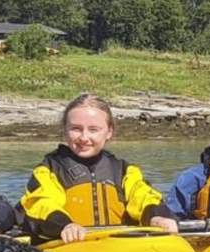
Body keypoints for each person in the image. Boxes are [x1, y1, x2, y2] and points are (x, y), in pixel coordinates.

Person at [21, 93, 181, 243]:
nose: (84, 138)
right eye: (76, 129)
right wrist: (65, 225)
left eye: (93, 130)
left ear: (109, 132)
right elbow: (42, 204)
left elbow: (144, 197)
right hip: (69, 246)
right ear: (65, 130)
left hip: (118, 247)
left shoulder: (125, 171)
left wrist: (157, 217)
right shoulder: (48, 170)